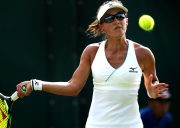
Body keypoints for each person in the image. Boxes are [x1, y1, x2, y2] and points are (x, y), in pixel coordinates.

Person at [16, 0, 169, 128]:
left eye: (120, 16)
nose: (116, 21)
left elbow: (151, 85)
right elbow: (73, 87)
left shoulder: (143, 53)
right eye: (109, 18)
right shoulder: (92, 52)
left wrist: (154, 90)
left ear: (126, 21)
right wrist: (35, 84)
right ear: (102, 26)